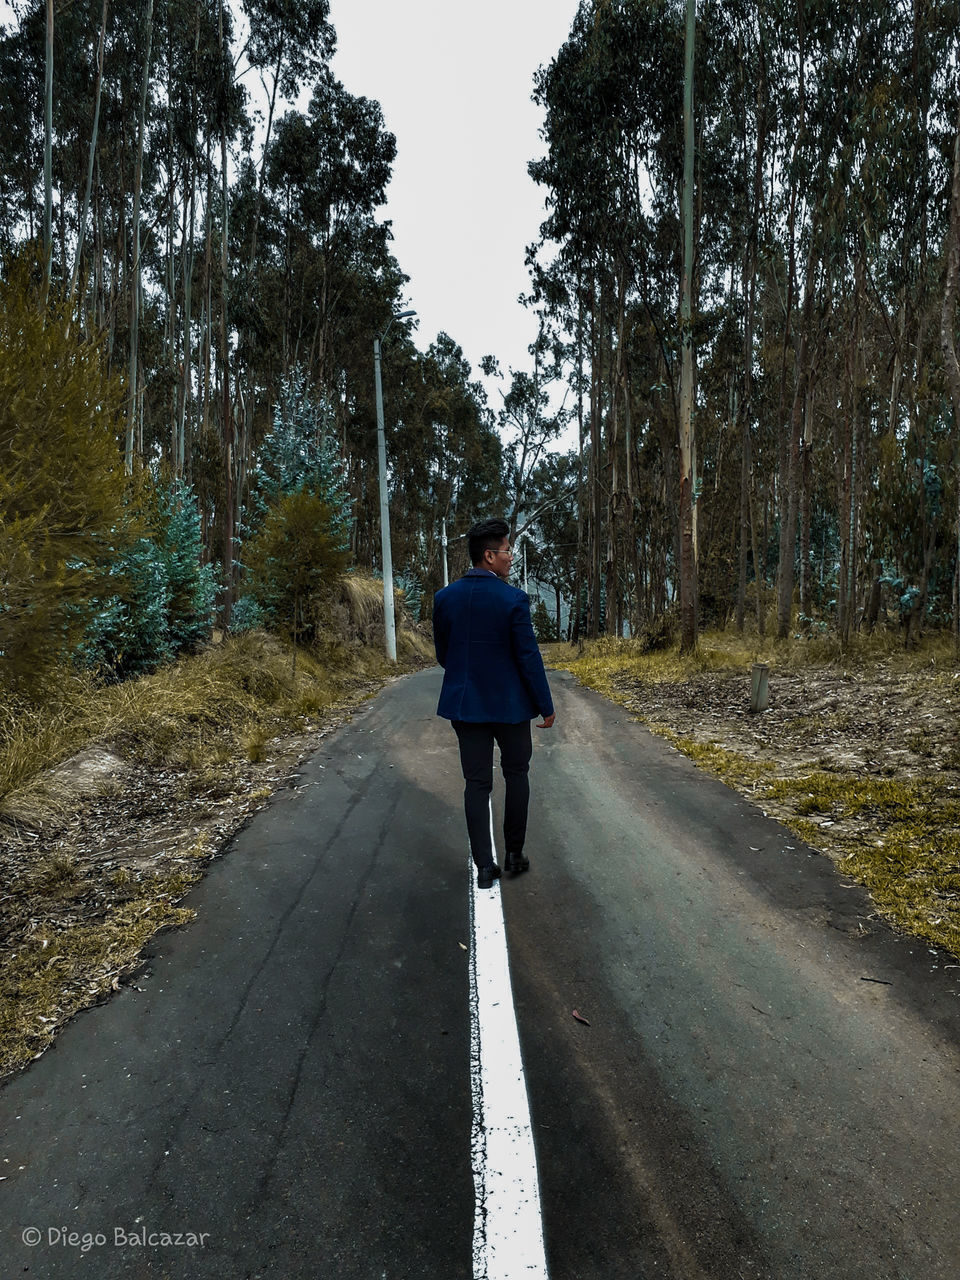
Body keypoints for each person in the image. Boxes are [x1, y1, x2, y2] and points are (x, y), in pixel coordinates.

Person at [432, 518, 556, 889]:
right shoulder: (513, 599)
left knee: (476, 783)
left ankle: (484, 868)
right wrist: (545, 705)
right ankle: (514, 854)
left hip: (466, 706)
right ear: (489, 556)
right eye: (506, 550)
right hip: (511, 707)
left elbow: (443, 654)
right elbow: (528, 658)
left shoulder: (445, 598)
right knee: (517, 774)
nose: (510, 556)